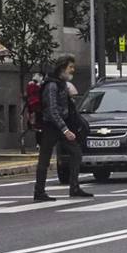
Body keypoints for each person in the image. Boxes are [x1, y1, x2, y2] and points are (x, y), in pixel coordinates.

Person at [33, 55, 84, 202]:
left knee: (76, 153)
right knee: (44, 159)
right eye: (70, 67)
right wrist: (65, 130)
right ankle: (39, 192)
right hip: (50, 126)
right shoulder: (52, 85)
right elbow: (52, 110)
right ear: (62, 68)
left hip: (61, 125)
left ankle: (74, 187)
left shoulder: (61, 84)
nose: (73, 70)